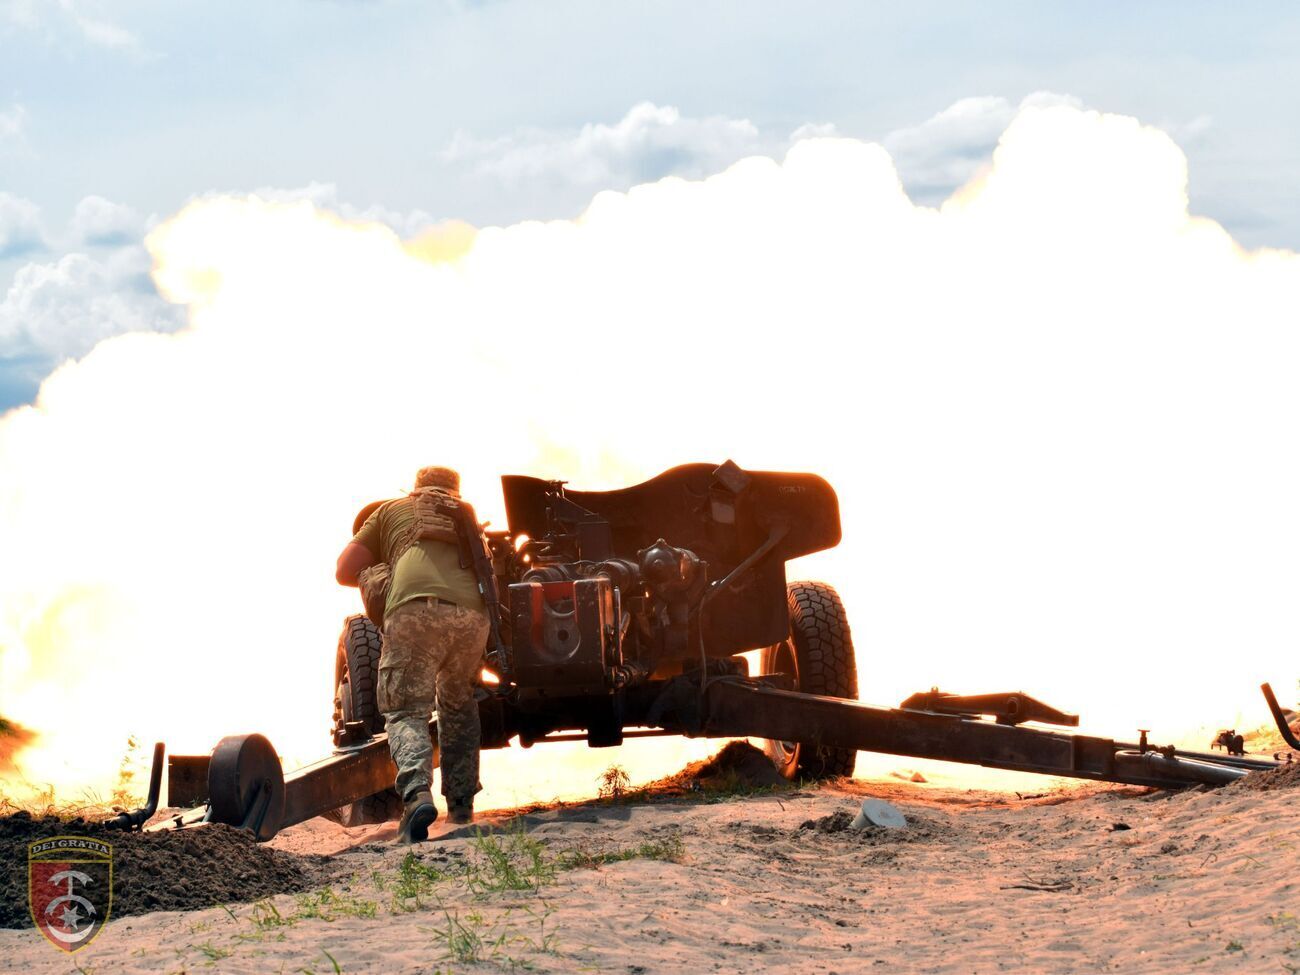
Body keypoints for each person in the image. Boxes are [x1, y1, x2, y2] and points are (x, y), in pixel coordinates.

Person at [335, 465, 490, 843]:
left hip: (414, 608)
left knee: (405, 709)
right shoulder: (467, 518)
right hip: (474, 617)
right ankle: (461, 806)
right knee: (458, 705)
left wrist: (382, 568)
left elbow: (344, 570)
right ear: (454, 491)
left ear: (417, 489)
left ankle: (416, 794)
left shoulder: (391, 510)